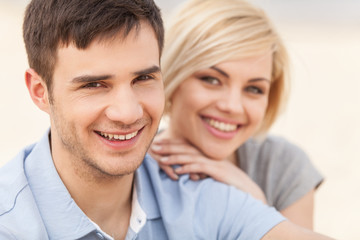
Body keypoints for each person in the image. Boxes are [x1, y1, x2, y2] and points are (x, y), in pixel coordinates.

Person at [0, 0, 333, 239]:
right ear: (40, 91)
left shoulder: (197, 190)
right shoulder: (12, 220)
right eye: (94, 84)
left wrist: (254, 202)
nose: (127, 112)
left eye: (143, 78)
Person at [150, 0, 323, 230]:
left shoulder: (283, 166)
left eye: (254, 89)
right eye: (212, 80)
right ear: (172, 75)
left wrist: (255, 205)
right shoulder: (133, 165)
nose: (232, 106)